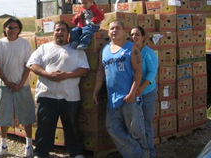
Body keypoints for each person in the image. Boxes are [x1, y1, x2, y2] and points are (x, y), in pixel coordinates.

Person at [26, 21, 90, 158]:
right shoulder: (44, 48)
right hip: (46, 94)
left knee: (72, 126)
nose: (59, 33)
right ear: (53, 32)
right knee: (44, 126)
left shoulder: (77, 50)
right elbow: (32, 64)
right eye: (57, 30)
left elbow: (84, 68)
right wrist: (47, 74)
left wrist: (67, 76)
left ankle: (76, 152)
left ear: (68, 34)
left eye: (63, 30)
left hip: (70, 96)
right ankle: (41, 153)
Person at [92, 21, 149, 158]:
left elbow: (138, 73)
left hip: (129, 99)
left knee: (136, 131)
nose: (114, 31)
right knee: (112, 128)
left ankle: (143, 155)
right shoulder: (104, 50)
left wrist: (132, 93)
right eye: (111, 28)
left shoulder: (131, 48)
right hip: (112, 100)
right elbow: (101, 71)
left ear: (124, 32)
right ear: (108, 32)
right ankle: (138, 154)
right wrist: (95, 91)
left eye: (117, 28)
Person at [0, 17, 36, 157]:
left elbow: (29, 64)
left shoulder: (24, 44)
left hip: (23, 85)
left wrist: (21, 83)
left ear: (19, 29)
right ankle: (3, 145)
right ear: (5, 28)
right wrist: (7, 82)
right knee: (3, 115)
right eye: (9, 27)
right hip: (4, 86)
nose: (12, 30)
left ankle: (29, 145)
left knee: (26, 115)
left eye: (15, 27)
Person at [130, 26, 158, 158]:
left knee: (146, 123)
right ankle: (138, 151)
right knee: (135, 124)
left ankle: (150, 152)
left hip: (147, 93)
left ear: (143, 37)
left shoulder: (148, 53)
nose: (134, 37)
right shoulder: (130, 51)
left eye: (137, 35)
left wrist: (141, 88)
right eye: (132, 35)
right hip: (134, 93)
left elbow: (152, 72)